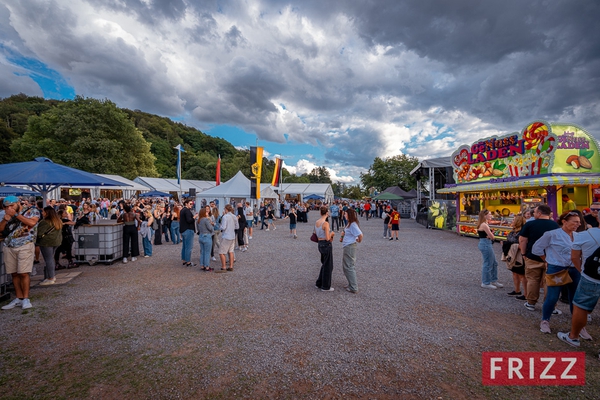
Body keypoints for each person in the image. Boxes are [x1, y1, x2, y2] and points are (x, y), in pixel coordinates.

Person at [556, 210, 600, 347]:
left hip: (591, 275)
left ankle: (573, 336)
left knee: (581, 306)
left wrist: (582, 271)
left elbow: (574, 257)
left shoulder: (583, 235)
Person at [533, 211, 581, 334]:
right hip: (556, 268)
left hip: (574, 269)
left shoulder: (578, 235)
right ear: (564, 222)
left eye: (579, 222)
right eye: (575, 222)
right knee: (552, 297)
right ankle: (545, 320)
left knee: (575, 297)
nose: (578, 224)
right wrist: (547, 260)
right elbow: (536, 248)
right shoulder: (551, 234)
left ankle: (577, 323)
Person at [0, 196, 40, 310]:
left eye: (12, 206)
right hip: (9, 245)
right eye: (6, 206)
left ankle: (26, 298)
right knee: (14, 273)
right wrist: (5, 219)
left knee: (24, 272)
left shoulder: (32, 210)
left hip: (25, 244)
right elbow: (1, 229)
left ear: (18, 203)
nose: (9, 208)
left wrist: (16, 215)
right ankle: (19, 297)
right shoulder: (4, 214)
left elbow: (31, 223)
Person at [519, 205, 560, 311]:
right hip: (550, 258)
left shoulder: (530, 224)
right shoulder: (555, 225)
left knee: (532, 280)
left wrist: (523, 254)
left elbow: (523, 240)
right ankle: (549, 305)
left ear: (540, 213)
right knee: (548, 282)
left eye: (535, 212)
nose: (533, 214)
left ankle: (531, 303)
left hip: (532, 256)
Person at [37, 206, 63, 285]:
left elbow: (39, 233)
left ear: (47, 213)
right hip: (56, 242)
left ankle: (51, 277)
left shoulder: (44, 222)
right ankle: (50, 276)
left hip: (46, 242)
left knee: (48, 259)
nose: (42, 213)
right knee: (50, 259)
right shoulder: (58, 221)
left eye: (43, 211)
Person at [477, 209, 502, 290]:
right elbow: (492, 236)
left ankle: (493, 279)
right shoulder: (484, 225)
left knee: (494, 262)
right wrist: (491, 235)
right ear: (485, 215)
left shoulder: (484, 224)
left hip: (486, 243)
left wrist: (490, 235)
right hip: (485, 244)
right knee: (488, 263)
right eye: (490, 214)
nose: (491, 215)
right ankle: (485, 282)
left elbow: (490, 235)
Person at [502, 215, 527, 297]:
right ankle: (517, 290)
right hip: (512, 255)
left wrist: (512, 245)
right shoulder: (513, 232)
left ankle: (526, 294)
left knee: (522, 275)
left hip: (519, 255)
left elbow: (523, 245)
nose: (512, 221)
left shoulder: (522, 232)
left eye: (513, 220)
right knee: (514, 272)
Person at [340, 208, 363, 293]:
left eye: (345, 214)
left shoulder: (352, 224)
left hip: (349, 246)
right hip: (348, 245)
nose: (344, 215)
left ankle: (353, 287)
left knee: (349, 266)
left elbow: (360, 234)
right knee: (347, 266)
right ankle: (351, 283)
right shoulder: (350, 223)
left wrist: (359, 240)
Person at [315, 206, 335, 291]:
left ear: (320, 213)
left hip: (320, 244)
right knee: (328, 266)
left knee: (324, 264)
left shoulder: (317, 222)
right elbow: (327, 237)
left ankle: (319, 283)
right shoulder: (325, 223)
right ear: (327, 213)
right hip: (326, 244)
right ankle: (325, 286)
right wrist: (332, 234)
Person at [218, 204, 237, 272]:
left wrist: (219, 226)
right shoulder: (234, 216)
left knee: (221, 252)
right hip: (232, 235)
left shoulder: (225, 217)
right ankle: (231, 266)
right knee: (231, 251)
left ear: (226, 209)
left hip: (226, 236)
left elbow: (223, 227)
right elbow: (237, 226)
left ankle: (224, 266)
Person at [196, 207, 214, 271]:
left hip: (201, 235)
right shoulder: (206, 220)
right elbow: (210, 228)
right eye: (206, 212)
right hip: (207, 235)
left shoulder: (198, 220)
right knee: (207, 252)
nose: (207, 212)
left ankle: (202, 265)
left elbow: (197, 229)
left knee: (202, 252)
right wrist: (211, 224)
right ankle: (207, 266)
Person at [179, 198, 196, 267]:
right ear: (186, 204)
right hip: (188, 229)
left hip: (183, 230)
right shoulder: (187, 211)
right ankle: (188, 261)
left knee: (185, 246)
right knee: (188, 246)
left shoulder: (182, 210)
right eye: (190, 204)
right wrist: (194, 217)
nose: (191, 205)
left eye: (192, 204)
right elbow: (189, 220)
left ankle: (184, 259)